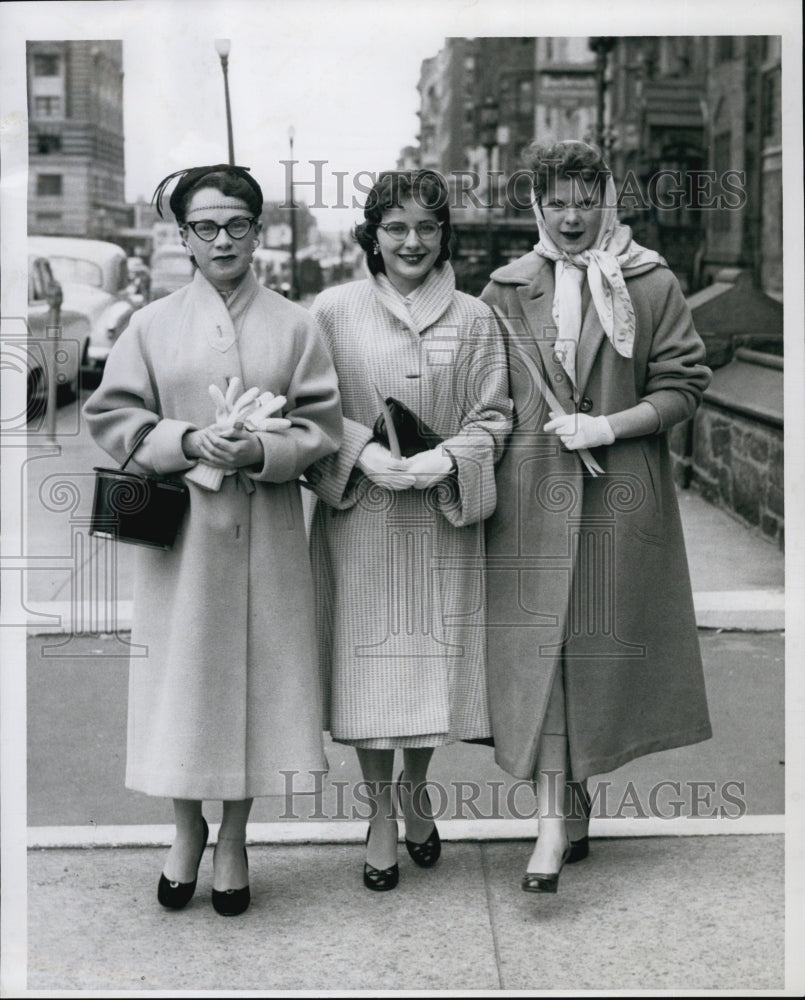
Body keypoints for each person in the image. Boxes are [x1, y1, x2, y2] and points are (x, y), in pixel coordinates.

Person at [84, 164, 342, 915]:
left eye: (237, 224)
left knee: (257, 691)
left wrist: (263, 451)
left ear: (258, 233)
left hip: (265, 535)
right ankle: (184, 831)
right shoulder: (152, 325)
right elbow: (113, 416)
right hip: (181, 541)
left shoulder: (296, 325)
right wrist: (187, 439)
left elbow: (320, 425)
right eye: (205, 226)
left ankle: (234, 838)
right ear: (183, 237)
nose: (222, 238)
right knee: (182, 690)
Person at [480, 140, 712, 894]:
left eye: (585, 199)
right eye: (556, 201)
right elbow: (482, 397)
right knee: (542, 656)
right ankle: (549, 824)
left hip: (618, 498)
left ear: (608, 200)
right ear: (537, 207)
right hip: (528, 501)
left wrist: (608, 427)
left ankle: (572, 805)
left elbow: (683, 387)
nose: (571, 216)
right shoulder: (506, 287)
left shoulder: (649, 281)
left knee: (595, 656)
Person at [305, 170, 512, 891]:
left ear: (443, 235)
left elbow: (496, 414)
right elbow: (308, 410)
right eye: (395, 227)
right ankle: (380, 815)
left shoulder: (476, 316)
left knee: (428, 668)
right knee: (366, 670)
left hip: (440, 518)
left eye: (426, 227)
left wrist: (445, 461)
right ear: (372, 234)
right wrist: (362, 452)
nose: (412, 241)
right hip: (362, 518)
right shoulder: (331, 312)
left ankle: (417, 792)